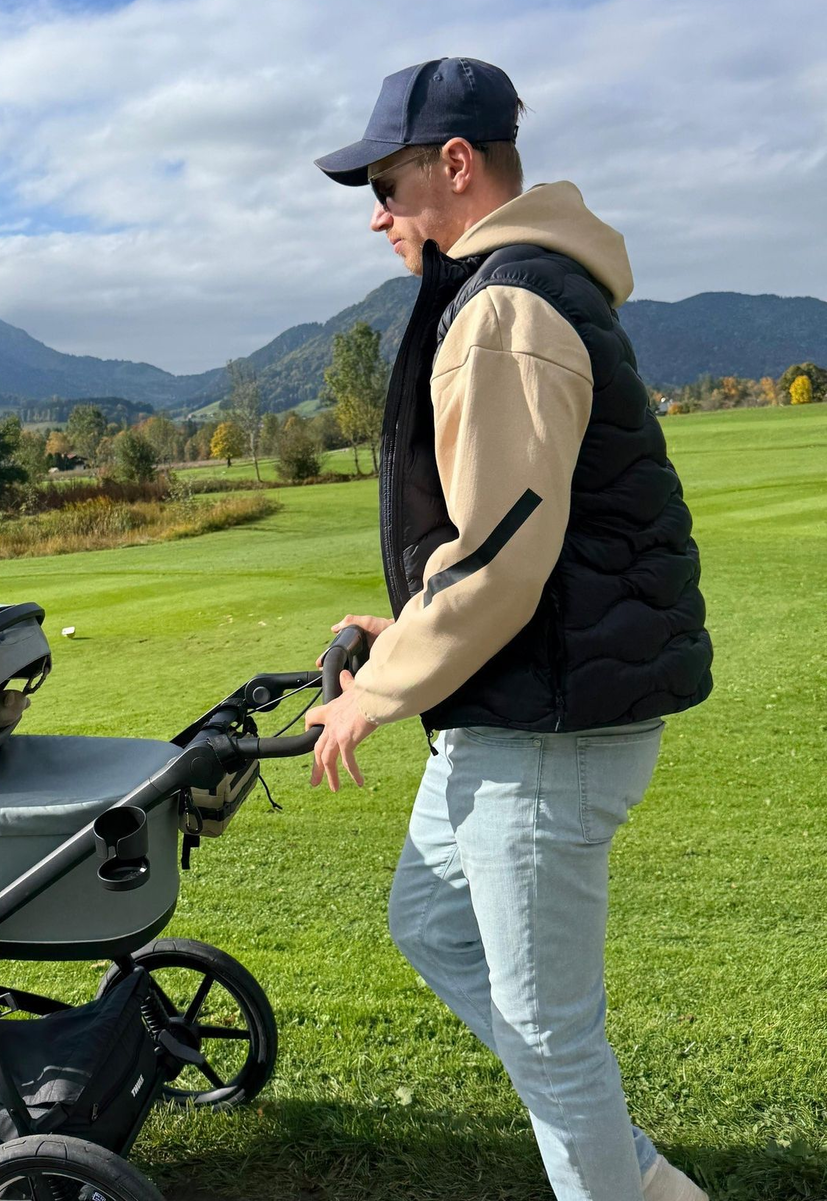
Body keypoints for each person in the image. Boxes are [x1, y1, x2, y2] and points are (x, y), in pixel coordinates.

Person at [302, 57, 713, 1201]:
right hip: (525, 703)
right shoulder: (525, 289)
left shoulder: (503, 309)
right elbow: (522, 537)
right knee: (431, 924)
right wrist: (407, 631)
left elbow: (500, 558)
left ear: (456, 165)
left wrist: (375, 691)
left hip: (548, 729)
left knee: (546, 1032)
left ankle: (618, 1183)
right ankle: (630, 1171)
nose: (377, 215)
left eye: (385, 185)